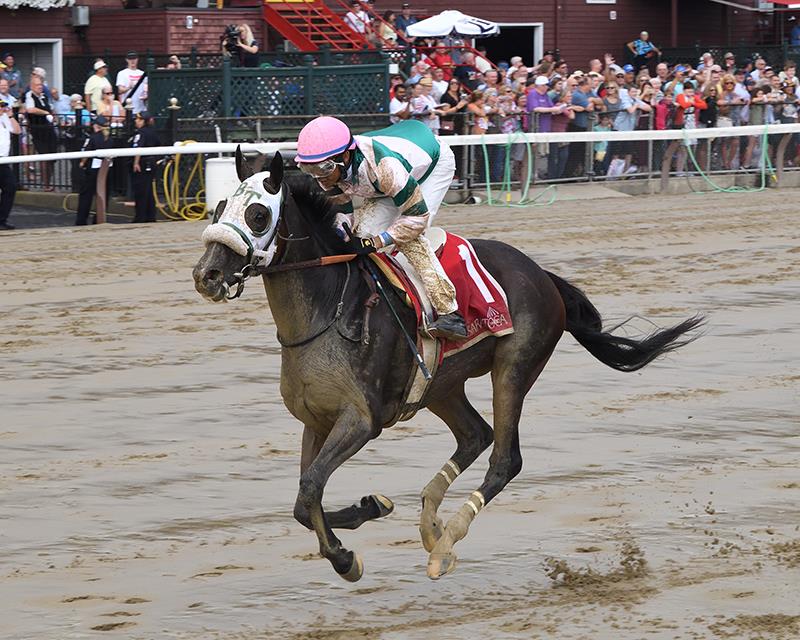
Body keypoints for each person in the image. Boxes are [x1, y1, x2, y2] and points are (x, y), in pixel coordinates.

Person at [294, 116, 467, 340]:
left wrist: (379, 241)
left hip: (431, 168)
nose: (319, 177)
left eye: (323, 168)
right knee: (357, 236)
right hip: (385, 185)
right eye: (309, 169)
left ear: (345, 156)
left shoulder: (385, 167)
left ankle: (450, 314)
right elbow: (342, 213)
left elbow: (416, 218)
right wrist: (341, 234)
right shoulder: (330, 170)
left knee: (409, 241)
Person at [76, 115, 113, 226]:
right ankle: (99, 219)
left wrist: (82, 163)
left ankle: (81, 220)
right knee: (104, 194)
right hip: (107, 169)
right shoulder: (110, 139)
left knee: (86, 195)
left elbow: (86, 153)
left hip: (93, 170)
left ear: (96, 126)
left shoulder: (92, 138)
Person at [24, 75, 57, 191]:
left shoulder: (44, 97)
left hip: (49, 130)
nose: (40, 87)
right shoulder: (30, 96)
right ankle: (46, 185)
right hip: (38, 131)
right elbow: (30, 109)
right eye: (37, 85)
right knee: (44, 156)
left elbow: (51, 109)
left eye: (41, 84)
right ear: (32, 86)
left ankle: (49, 181)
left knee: (52, 156)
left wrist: (52, 115)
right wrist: (45, 112)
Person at [131, 111, 160, 224]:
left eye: (139, 119)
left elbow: (139, 148)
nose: (136, 121)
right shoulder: (153, 132)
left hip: (142, 164)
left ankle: (140, 217)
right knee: (148, 191)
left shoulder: (140, 133)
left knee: (141, 191)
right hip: (152, 163)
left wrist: (136, 163)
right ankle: (150, 216)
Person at [0, 100, 20, 230]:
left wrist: (11, 116)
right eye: (1, 106)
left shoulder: (5, 118)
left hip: (3, 160)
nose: (3, 108)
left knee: (10, 187)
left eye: (3, 106)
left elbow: (17, 131)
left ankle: (2, 219)